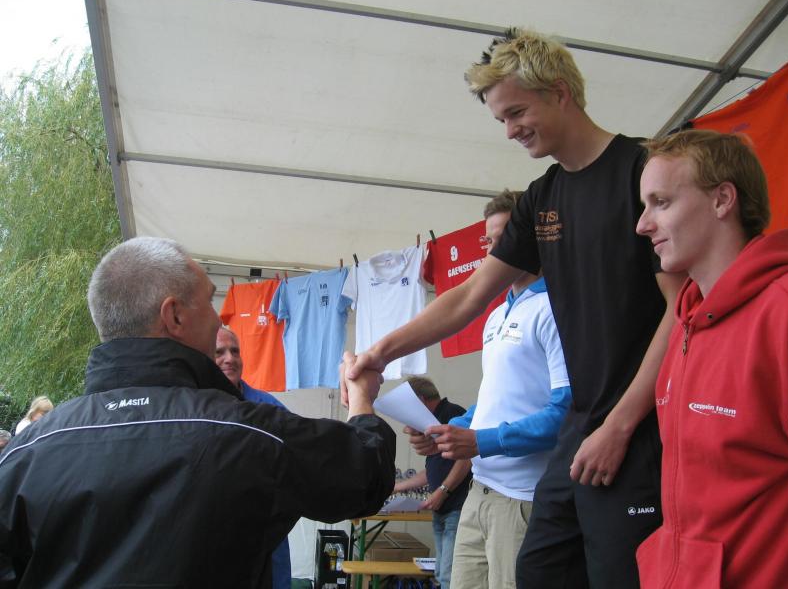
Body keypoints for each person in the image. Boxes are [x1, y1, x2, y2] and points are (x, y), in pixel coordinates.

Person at [346, 28, 685, 589]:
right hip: (580, 429)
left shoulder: (641, 170)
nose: (509, 131)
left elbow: (682, 309)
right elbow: (469, 296)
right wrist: (379, 353)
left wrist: (621, 424)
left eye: (517, 112)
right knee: (537, 570)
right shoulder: (543, 195)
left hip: (641, 428)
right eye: (501, 119)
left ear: (560, 92)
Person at [0, 236, 395, 588]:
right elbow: (364, 475)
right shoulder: (245, 432)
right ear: (174, 316)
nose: (218, 317)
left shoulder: (23, 455)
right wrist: (360, 395)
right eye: (209, 300)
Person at [634, 130, 788, 587]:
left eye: (661, 202)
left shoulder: (787, 309)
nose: (642, 224)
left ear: (722, 199)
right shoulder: (686, 322)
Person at [407, 190, 571, 589]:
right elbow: (492, 400)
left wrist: (482, 441)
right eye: (488, 240)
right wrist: (447, 433)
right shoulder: (496, 314)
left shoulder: (557, 309)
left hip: (523, 497)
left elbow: (567, 413)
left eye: (503, 238)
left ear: (532, 237)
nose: (492, 251)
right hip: (479, 491)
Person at [215, 326, 292, 589]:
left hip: (266, 536)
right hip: (214, 536)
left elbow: (300, 460)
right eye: (219, 352)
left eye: (235, 351)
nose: (230, 358)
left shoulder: (268, 407)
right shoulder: (191, 406)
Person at [391, 376, 471, 589]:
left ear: (419, 400)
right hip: (442, 510)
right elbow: (432, 471)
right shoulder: (432, 423)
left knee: (448, 577)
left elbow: (467, 459)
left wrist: (442, 491)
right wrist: (397, 487)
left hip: (456, 509)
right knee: (440, 573)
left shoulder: (452, 415)